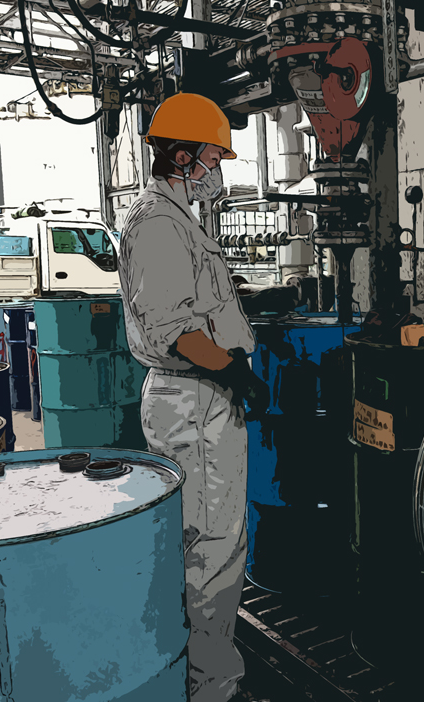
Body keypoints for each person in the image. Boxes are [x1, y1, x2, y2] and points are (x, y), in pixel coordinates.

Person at [118, 92, 270, 702]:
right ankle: (212, 687)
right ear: (182, 156)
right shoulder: (158, 223)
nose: (217, 169)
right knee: (211, 546)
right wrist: (235, 371)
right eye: (213, 156)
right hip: (196, 399)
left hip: (200, 397)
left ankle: (199, 670)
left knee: (203, 539)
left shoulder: (176, 219)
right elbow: (175, 331)